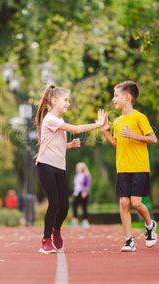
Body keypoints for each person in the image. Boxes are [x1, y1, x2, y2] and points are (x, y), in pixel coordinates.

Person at [34, 84, 106, 254]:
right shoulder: (50, 118)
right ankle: (46, 239)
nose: (68, 103)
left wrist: (69, 145)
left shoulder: (59, 121)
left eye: (69, 100)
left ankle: (56, 229)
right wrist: (98, 124)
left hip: (60, 167)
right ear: (54, 100)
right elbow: (77, 129)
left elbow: (55, 145)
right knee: (54, 203)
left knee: (65, 206)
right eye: (65, 100)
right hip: (45, 165)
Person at [101, 81, 158, 252]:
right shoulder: (117, 122)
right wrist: (104, 130)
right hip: (123, 167)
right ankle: (128, 240)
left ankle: (150, 225)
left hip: (139, 166)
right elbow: (117, 144)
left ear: (127, 97)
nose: (113, 99)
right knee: (124, 203)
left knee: (136, 203)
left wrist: (133, 135)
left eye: (116, 95)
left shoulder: (140, 117)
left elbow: (153, 139)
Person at [71, 162, 91, 228]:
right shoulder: (77, 175)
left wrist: (85, 191)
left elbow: (86, 184)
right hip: (77, 193)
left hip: (83, 193)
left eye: (80, 167)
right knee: (74, 206)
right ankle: (75, 221)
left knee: (84, 207)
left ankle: (85, 222)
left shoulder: (86, 174)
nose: (78, 168)